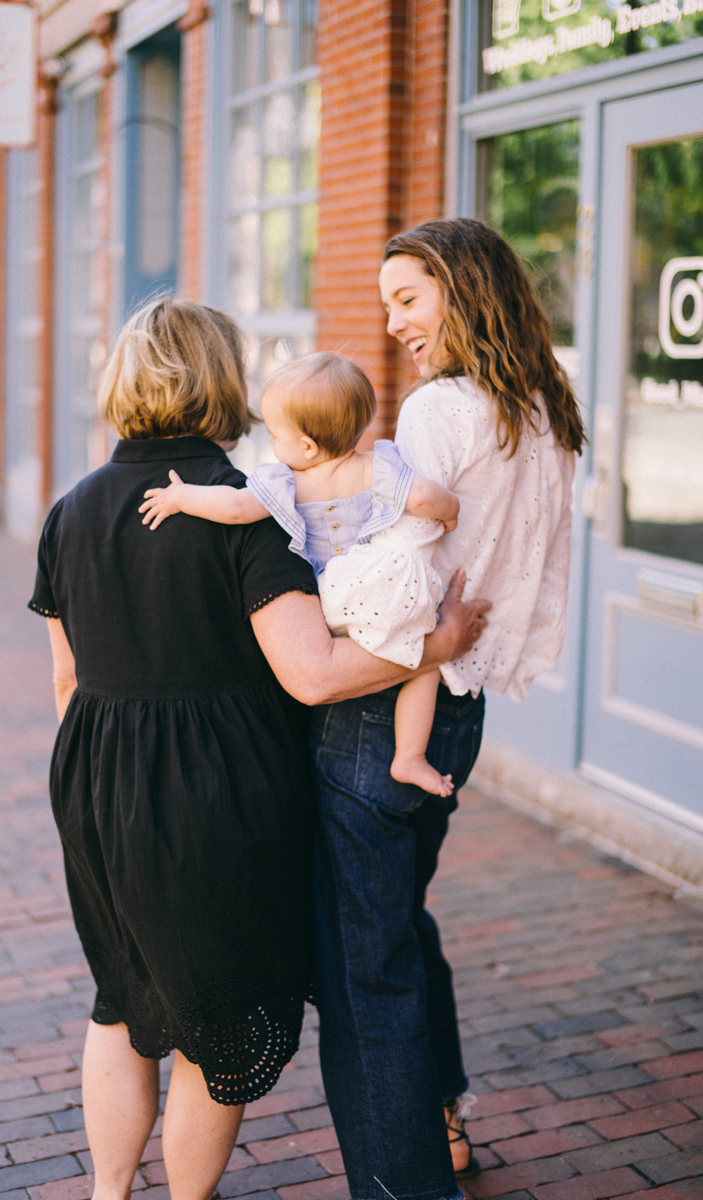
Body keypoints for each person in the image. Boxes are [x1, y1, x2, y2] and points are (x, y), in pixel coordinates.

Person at [28, 296, 490, 1200]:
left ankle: (108, 1193)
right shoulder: (248, 514)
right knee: (216, 1025)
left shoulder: (71, 510)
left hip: (95, 788)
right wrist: (435, 646)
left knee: (121, 1005)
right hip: (216, 798)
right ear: (222, 382)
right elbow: (314, 674)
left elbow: (65, 682)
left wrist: (107, 791)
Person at [307, 218, 585, 1200]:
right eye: (386, 304)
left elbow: (401, 572)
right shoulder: (544, 412)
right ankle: (441, 1113)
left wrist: (328, 585)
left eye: (407, 299)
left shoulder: (436, 411)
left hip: (387, 701)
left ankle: (406, 1182)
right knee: (399, 922)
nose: (391, 325)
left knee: (361, 961)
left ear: (461, 291)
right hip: (456, 716)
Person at [139, 351, 460, 797]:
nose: (271, 442)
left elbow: (234, 508)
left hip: (329, 599)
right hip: (379, 591)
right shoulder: (378, 466)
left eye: (274, 433)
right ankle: (410, 756)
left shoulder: (284, 482)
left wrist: (181, 497)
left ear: (306, 447)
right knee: (424, 662)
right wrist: (450, 514)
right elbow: (425, 496)